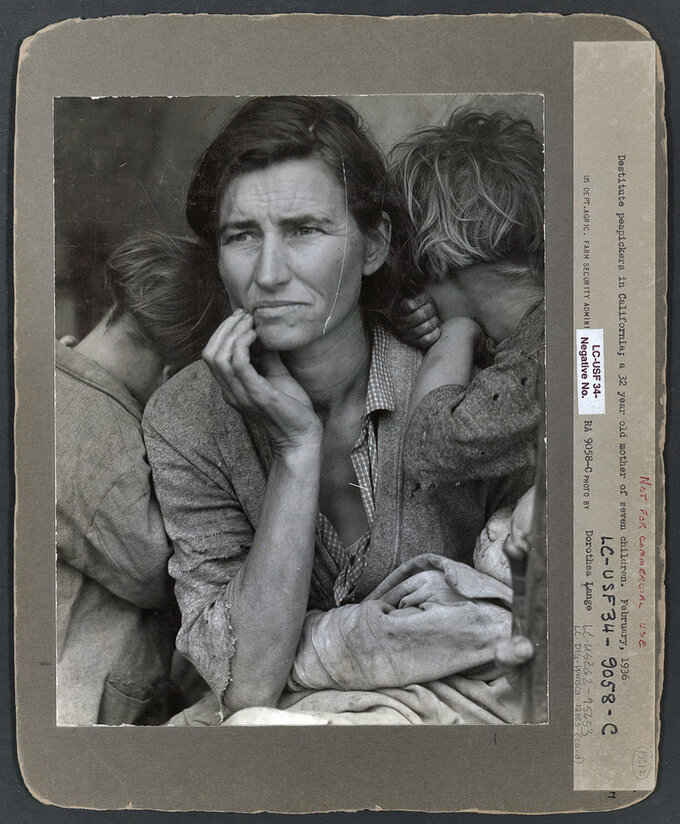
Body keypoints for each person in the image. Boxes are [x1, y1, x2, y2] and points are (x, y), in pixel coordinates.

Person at [144, 97, 531, 726]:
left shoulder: (467, 382)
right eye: (241, 236)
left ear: (374, 243)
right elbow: (246, 683)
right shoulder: (186, 419)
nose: (268, 274)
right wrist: (296, 452)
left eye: (304, 230)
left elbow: (545, 615)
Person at [56, 230, 224, 725]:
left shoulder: (50, 376)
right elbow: (163, 572)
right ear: (177, 375)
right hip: (79, 713)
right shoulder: (102, 438)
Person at [390, 109, 545, 580]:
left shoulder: (543, 356)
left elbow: (430, 445)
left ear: (440, 260)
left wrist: (457, 330)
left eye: (416, 280)